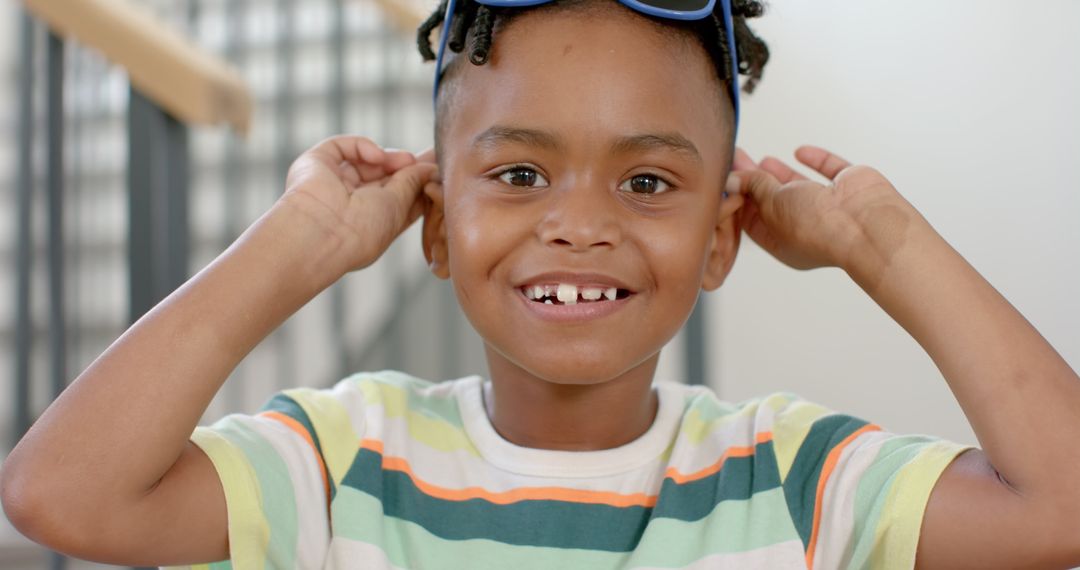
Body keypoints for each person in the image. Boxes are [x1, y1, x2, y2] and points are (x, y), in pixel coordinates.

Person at [3, 0, 1080, 568]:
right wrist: (300, 242)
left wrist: (885, 247)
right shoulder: (344, 461)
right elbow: (64, 495)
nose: (578, 222)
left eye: (649, 180)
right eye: (518, 173)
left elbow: (1063, 511)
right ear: (435, 222)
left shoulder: (793, 477)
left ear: (722, 235)